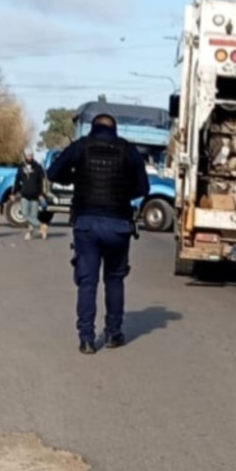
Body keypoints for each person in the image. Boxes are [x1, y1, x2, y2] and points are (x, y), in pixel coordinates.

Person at [47, 106, 149, 355]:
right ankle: (114, 334)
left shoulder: (80, 147)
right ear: (115, 130)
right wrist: (124, 193)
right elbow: (143, 187)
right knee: (114, 280)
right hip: (118, 225)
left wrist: (76, 178)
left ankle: (87, 339)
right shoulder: (128, 150)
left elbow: (52, 173)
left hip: (87, 224)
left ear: (93, 128)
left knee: (87, 282)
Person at [13, 149, 48, 241]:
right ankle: (42, 226)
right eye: (28, 155)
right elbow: (17, 180)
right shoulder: (21, 167)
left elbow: (43, 181)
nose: (30, 157)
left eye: (31, 155)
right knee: (25, 214)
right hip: (24, 194)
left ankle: (30, 233)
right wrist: (14, 193)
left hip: (35, 195)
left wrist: (42, 194)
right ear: (25, 156)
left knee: (33, 216)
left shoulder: (38, 167)